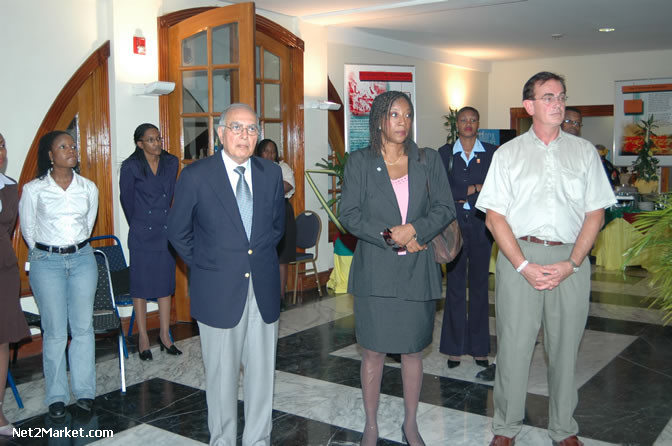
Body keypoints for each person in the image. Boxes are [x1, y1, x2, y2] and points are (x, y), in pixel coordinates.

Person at [476, 72, 616, 446]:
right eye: (549, 97)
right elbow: (494, 216)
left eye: (561, 97)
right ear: (530, 106)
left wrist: (572, 263)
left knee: (566, 349)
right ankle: (505, 428)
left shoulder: (584, 153)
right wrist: (522, 264)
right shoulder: (507, 155)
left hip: (570, 260)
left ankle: (564, 428)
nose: (558, 104)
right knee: (514, 348)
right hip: (519, 257)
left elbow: (595, 214)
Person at [340, 91, 455, 446]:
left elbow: (444, 208)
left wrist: (415, 230)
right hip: (376, 270)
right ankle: (371, 426)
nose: (402, 121)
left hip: (418, 271)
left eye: (407, 115)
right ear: (379, 120)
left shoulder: (427, 159)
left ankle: (410, 425)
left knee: (412, 350)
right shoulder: (359, 161)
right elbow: (350, 216)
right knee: (373, 351)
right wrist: (393, 237)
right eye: (394, 114)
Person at [167, 103, 285, 446]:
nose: (244, 136)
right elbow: (177, 232)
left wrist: (255, 260)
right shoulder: (196, 175)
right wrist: (207, 264)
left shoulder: (271, 173)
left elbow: (276, 228)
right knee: (221, 381)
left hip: (262, 290)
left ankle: (257, 440)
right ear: (220, 133)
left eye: (251, 129)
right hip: (217, 292)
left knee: (262, 378)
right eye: (236, 128)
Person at [19, 130, 99, 420]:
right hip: (46, 261)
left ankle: (85, 391)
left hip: (82, 259)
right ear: (51, 156)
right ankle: (56, 396)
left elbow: (87, 225)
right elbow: (28, 230)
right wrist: (48, 252)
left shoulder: (88, 188)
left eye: (74, 146)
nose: (71, 151)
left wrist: (73, 248)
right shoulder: (34, 190)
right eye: (63, 147)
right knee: (54, 331)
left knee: (82, 328)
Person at [437, 106, 495, 370]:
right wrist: (474, 188)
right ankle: (454, 349)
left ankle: (480, 349)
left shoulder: (493, 153)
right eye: (463, 120)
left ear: (478, 123)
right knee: (456, 288)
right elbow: (441, 189)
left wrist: (464, 193)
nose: (468, 124)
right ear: (456, 124)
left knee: (481, 289)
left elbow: (496, 188)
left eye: (473, 119)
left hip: (483, 227)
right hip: (455, 229)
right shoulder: (445, 154)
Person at [120, 124, 181, 360]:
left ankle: (165, 335)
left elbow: (172, 194)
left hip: (165, 231)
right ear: (140, 144)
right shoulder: (131, 166)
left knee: (166, 286)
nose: (157, 143)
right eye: (151, 140)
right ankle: (143, 337)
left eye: (158, 138)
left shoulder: (171, 162)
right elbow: (127, 201)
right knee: (141, 287)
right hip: (142, 233)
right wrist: (141, 223)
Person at [0, 133, 31, 436]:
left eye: (1, 145)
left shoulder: (9, 186)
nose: (0, 151)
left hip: (3, 270)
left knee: (2, 340)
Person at [254, 139, 296, 302]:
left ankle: (280, 298)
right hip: (260, 213)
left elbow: (287, 186)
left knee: (281, 258)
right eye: (266, 150)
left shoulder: (282, 167)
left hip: (281, 212)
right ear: (259, 152)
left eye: (273, 151)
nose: (270, 154)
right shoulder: (253, 168)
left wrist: (265, 185)